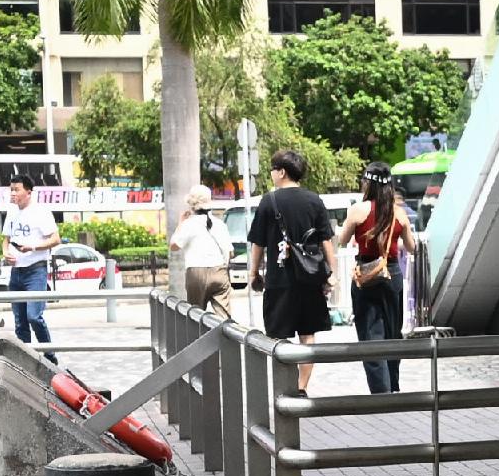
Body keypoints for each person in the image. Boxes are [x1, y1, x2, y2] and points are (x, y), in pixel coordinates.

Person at [253, 149, 338, 390]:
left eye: (272, 169)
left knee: (278, 336)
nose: (271, 174)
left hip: (279, 278)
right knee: (307, 335)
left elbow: (258, 242)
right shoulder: (313, 200)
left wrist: (253, 273)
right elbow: (326, 239)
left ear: (281, 172)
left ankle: (285, 385)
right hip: (310, 278)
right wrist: (332, 272)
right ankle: (301, 386)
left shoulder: (269, 201)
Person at [341, 169, 415, 394]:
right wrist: (393, 243)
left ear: (368, 184)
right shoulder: (399, 213)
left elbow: (343, 239)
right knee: (393, 332)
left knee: (370, 336)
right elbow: (411, 247)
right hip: (391, 274)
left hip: (366, 273)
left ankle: (380, 393)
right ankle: (393, 387)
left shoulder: (358, 210)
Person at [0, 179, 61, 347]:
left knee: (34, 316)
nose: (13, 193)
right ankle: (26, 360)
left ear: (28, 192)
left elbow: (56, 239)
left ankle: (49, 355)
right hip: (16, 272)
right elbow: (6, 239)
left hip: (35, 270)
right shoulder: (11, 212)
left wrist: (33, 247)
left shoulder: (40, 212)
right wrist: (5, 253)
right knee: (20, 322)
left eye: (16, 190)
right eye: (11, 189)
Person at [172, 186, 236, 314]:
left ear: (191, 205)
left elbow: (174, 245)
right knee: (223, 318)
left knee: (196, 316)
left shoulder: (188, 224)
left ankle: (199, 334)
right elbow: (229, 251)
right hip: (219, 272)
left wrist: (180, 222)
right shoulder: (220, 224)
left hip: (196, 273)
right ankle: (223, 333)